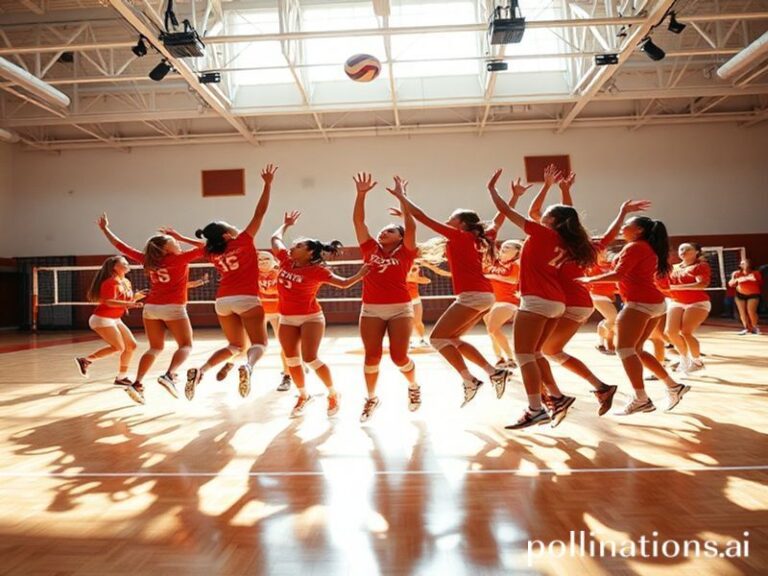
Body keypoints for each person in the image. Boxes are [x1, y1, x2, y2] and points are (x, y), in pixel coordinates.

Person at [530, 169, 650, 418]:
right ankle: (600, 388)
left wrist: (550, 187)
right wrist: (563, 190)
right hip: (575, 302)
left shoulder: (566, 244)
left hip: (572, 303)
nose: (544, 221)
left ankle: (552, 396)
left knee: (536, 351)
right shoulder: (573, 244)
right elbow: (570, 220)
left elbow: (541, 215)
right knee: (549, 351)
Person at [386, 179, 517, 407]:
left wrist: (401, 196)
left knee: (437, 339)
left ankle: (469, 380)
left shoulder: (460, 236)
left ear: (462, 224)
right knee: (453, 339)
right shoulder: (482, 237)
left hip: (473, 296)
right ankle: (493, 372)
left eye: (452, 218)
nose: (448, 221)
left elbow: (422, 216)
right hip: (485, 296)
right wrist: (512, 197)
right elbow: (500, 218)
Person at [487, 168, 597, 428]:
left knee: (524, 355)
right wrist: (552, 188)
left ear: (554, 221)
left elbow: (507, 211)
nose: (540, 214)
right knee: (534, 353)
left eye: (546, 214)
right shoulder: (567, 240)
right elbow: (562, 213)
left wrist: (492, 190)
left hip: (537, 300)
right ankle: (557, 397)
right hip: (555, 302)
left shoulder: (543, 233)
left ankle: (535, 408)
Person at [579, 216, 690, 415]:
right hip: (654, 303)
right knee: (636, 349)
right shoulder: (645, 247)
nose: (622, 228)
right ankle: (673, 386)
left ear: (638, 230)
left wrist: (586, 281)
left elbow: (619, 275)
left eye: (626, 225)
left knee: (624, 349)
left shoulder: (635, 247)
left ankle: (641, 399)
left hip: (641, 303)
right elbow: (624, 277)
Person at [185, 164, 277, 400]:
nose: (237, 228)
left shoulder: (212, 252)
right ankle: (248, 367)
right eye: (232, 227)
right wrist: (267, 184)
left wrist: (177, 236)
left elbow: (200, 245)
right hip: (246, 298)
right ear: (227, 235)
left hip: (222, 300)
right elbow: (260, 213)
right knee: (259, 344)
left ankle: (202, 370)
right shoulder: (243, 241)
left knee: (235, 345)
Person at [98, 215, 204, 403]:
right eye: (174, 243)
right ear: (165, 248)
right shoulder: (179, 259)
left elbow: (121, 247)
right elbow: (205, 247)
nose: (178, 245)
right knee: (186, 345)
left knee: (155, 347)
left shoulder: (147, 260)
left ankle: (137, 383)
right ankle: (169, 375)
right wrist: (181, 237)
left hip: (151, 308)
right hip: (173, 307)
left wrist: (105, 230)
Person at [272, 210, 369, 418]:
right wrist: (286, 224)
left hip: (310, 317)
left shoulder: (318, 271)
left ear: (309, 253)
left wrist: (360, 274)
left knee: (310, 357)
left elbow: (343, 284)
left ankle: (333, 393)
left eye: (298, 246)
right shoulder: (285, 261)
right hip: (286, 317)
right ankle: (303, 395)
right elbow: (275, 239)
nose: (292, 247)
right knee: (291, 359)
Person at [353, 173, 420, 422]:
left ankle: (413, 387)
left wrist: (403, 199)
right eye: (382, 230)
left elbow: (412, 226)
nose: (383, 232)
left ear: (400, 237)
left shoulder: (407, 252)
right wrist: (361, 195)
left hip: (400, 308)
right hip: (371, 309)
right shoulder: (369, 248)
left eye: (389, 230)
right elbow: (359, 222)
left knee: (399, 356)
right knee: (372, 356)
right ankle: (371, 398)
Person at [75, 256, 143, 396]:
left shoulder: (126, 281)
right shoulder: (110, 282)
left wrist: (137, 297)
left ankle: (121, 377)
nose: (127, 264)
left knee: (131, 346)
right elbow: (109, 302)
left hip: (115, 319)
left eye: (127, 262)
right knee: (118, 347)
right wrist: (129, 304)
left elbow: (126, 300)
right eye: (123, 263)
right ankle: (86, 360)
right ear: (114, 268)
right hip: (102, 319)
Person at [664, 243, 711, 374]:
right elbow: (666, 285)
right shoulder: (674, 268)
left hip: (697, 302)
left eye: (688, 249)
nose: (683, 251)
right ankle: (684, 359)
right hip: (677, 301)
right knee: (670, 332)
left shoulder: (700, 266)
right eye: (681, 249)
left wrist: (676, 288)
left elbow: (701, 284)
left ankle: (697, 362)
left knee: (686, 332)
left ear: (696, 252)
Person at [483, 240, 521, 369]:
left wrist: (490, 277)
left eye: (508, 247)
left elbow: (512, 279)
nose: (504, 248)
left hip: (507, 301)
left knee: (492, 328)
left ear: (517, 252)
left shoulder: (515, 264)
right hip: (495, 302)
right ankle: (500, 359)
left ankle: (511, 358)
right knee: (491, 328)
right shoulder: (496, 264)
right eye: (503, 246)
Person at [729, 258, 762, 335]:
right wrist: (736, 280)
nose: (742, 265)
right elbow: (731, 283)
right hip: (740, 294)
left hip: (753, 294)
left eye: (744, 263)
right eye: (741, 263)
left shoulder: (755, 273)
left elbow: (754, 279)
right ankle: (746, 328)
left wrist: (741, 279)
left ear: (749, 264)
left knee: (751, 311)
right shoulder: (736, 273)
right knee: (742, 313)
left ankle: (755, 327)